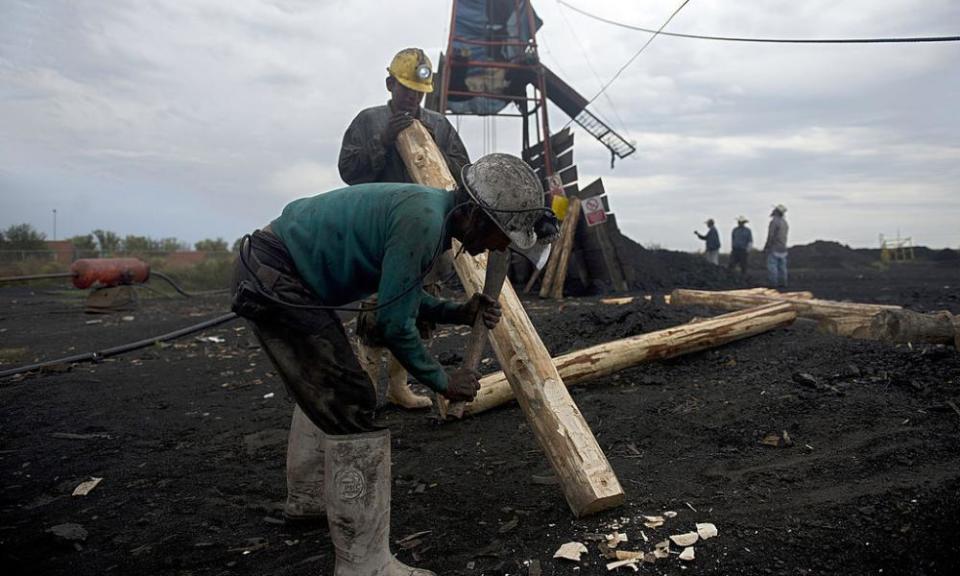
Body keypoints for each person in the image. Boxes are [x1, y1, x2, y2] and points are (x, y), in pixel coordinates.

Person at [231, 153, 546, 575]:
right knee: (352, 396)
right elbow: (394, 324)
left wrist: (460, 311)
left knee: (327, 386)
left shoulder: (428, 213)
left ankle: (308, 498)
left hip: (272, 268)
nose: (499, 246)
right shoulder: (423, 221)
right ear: (473, 214)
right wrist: (442, 380)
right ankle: (365, 565)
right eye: (499, 234)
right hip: (277, 275)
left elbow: (402, 297)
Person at [339, 48, 471, 412]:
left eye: (419, 92)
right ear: (389, 85)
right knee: (374, 311)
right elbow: (349, 171)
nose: (413, 98)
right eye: (406, 90)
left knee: (416, 312)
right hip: (378, 237)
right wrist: (382, 141)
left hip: (426, 238)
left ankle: (399, 386)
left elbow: (464, 173)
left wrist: (432, 146)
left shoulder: (440, 125)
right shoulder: (368, 121)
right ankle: (367, 386)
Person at [764, 204, 790, 288]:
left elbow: (770, 235)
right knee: (782, 267)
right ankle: (783, 283)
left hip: (774, 247)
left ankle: (773, 284)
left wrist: (767, 246)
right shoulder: (785, 223)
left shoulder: (774, 222)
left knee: (772, 266)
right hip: (783, 247)